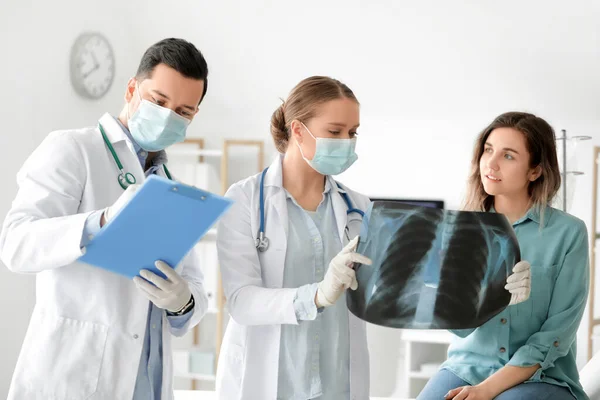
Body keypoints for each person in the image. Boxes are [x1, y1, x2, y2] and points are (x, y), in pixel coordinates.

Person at [0, 38, 210, 400]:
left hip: (148, 381)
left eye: (183, 111)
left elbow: (194, 288)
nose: (168, 117)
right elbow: (15, 244)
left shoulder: (171, 187)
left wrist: (183, 301)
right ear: (132, 89)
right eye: (159, 102)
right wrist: (100, 222)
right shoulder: (73, 149)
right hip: (74, 377)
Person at [215, 76, 373, 399]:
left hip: (337, 384)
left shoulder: (359, 207)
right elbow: (242, 301)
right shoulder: (244, 201)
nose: (347, 141)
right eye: (335, 131)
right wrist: (316, 296)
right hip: (273, 383)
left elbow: (372, 292)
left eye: (352, 133)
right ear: (298, 131)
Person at [417, 112, 590, 400]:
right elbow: (458, 329)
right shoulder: (462, 229)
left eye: (508, 156)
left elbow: (556, 336)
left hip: (541, 375)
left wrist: (488, 390)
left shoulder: (568, 233)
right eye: (488, 150)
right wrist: (488, 294)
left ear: (535, 171)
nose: (491, 164)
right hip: (466, 367)